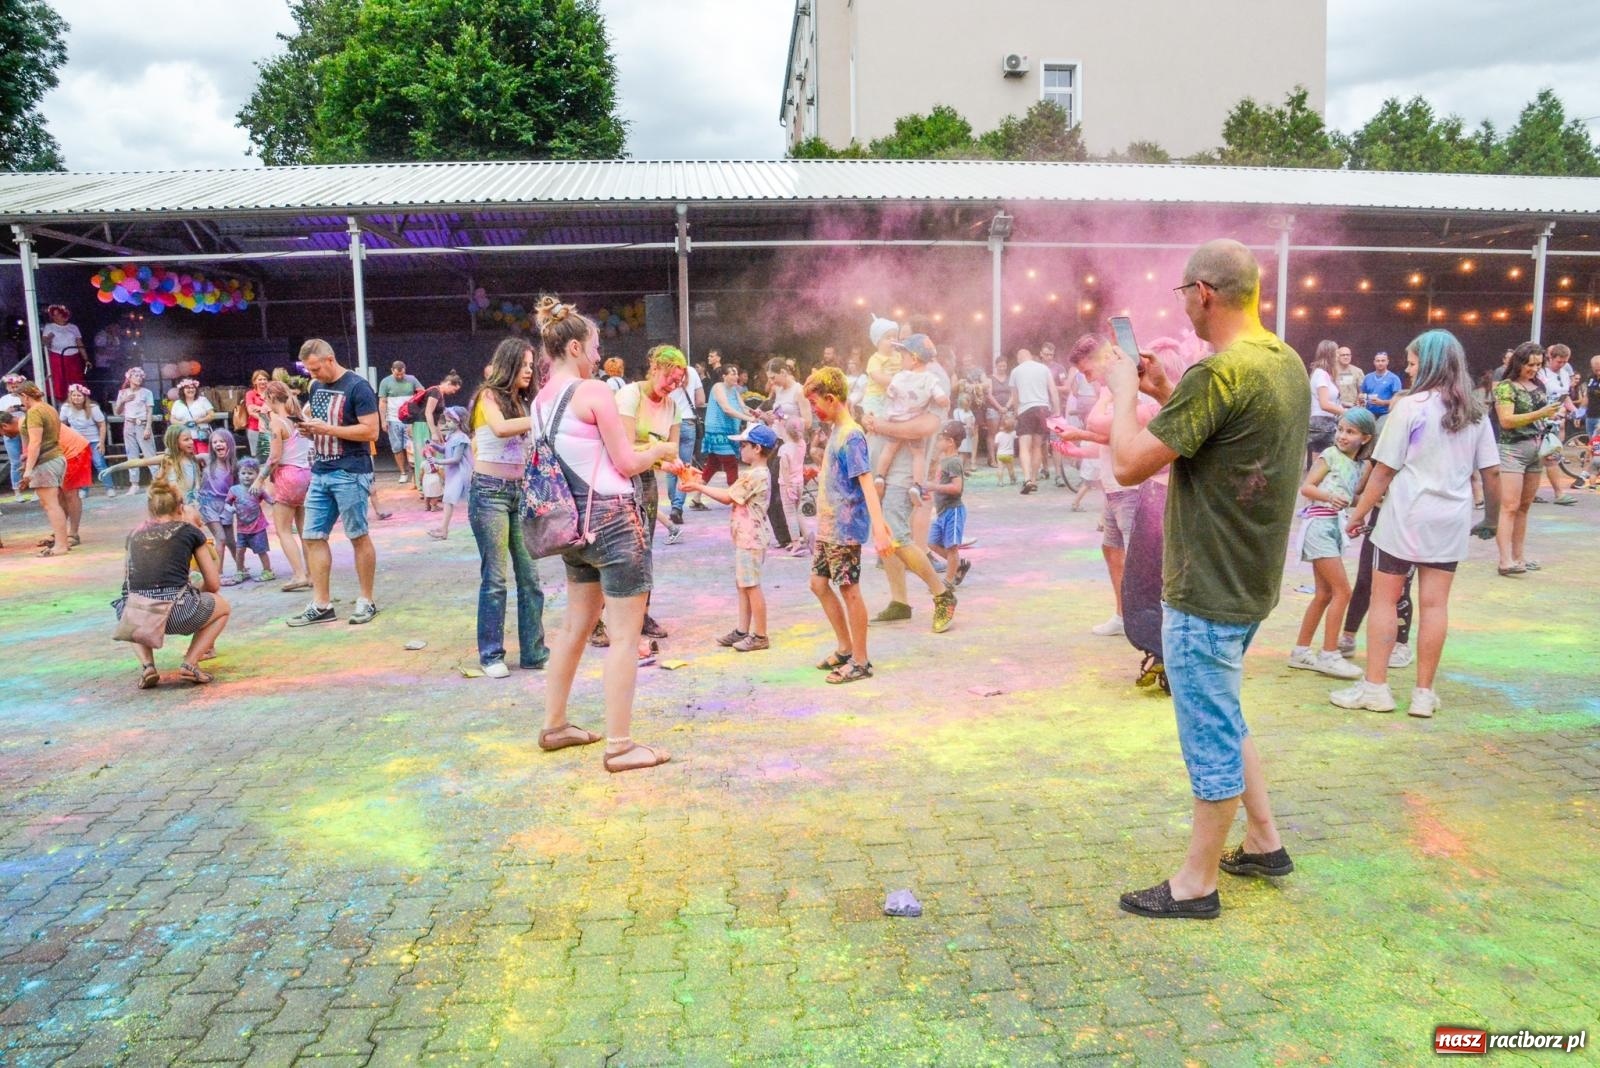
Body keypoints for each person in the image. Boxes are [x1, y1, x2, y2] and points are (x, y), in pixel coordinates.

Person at [1107, 239, 1308, 920]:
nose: (1184, 306)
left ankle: (1196, 884)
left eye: (1183, 294)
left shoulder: (1219, 373)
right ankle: (1263, 840)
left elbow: (1130, 464)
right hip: (1251, 580)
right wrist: (1166, 391)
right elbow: (1226, 437)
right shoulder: (1283, 362)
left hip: (1207, 586)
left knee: (1209, 731)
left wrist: (1122, 396)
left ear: (1204, 294)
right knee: (1225, 708)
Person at [532, 295, 677, 773]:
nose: (598, 356)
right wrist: (661, 451)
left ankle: (555, 725)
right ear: (574, 347)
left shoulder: (540, 401)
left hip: (573, 525)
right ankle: (620, 746)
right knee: (624, 636)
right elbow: (627, 462)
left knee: (575, 627)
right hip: (614, 521)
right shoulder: (593, 393)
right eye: (594, 347)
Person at [1332, 330, 1501, 718]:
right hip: (1451, 517)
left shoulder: (1409, 408)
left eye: (1411, 362)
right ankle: (1424, 694)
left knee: (1384, 599)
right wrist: (1491, 519)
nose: (1407, 371)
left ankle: (1376, 687)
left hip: (1405, 517)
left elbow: (1382, 472)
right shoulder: (1475, 410)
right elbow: (1491, 474)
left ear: (1426, 364)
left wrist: (1357, 517)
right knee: (1435, 604)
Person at [862, 335, 959, 632]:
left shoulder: (933, 377)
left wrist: (880, 425)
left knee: (897, 534)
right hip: (885, 464)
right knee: (885, 532)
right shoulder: (905, 375)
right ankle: (899, 601)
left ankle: (942, 594)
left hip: (905, 467)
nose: (897, 353)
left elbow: (926, 427)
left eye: (903, 349)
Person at [803, 366, 891, 685]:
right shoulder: (837, 432)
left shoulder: (852, 435)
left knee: (849, 590)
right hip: (829, 528)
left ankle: (861, 660)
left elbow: (866, 484)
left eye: (815, 404)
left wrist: (880, 528)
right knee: (818, 583)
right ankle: (845, 648)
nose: (814, 410)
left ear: (831, 398)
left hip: (846, 528)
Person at [467, 337, 548, 679]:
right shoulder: (487, 396)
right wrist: (543, 418)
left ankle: (533, 652)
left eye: (532, 366)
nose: (529, 371)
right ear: (509, 364)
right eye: (525, 365)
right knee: (496, 578)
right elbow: (500, 429)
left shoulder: (526, 402)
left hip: (520, 493)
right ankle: (490, 655)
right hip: (490, 494)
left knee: (530, 578)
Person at [286, 339, 381, 627]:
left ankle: (366, 599)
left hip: (351, 470)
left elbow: (372, 431)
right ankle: (321, 603)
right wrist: (310, 431)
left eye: (315, 368)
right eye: (309, 370)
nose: (312, 375)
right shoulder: (315, 387)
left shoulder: (358, 386)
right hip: (321, 469)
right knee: (312, 536)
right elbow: (320, 425)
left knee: (357, 535)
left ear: (330, 359)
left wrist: (327, 429)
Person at [115, 477, 232, 688]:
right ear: (180, 507)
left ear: (151, 508)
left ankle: (148, 666)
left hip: (137, 617)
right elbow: (213, 584)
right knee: (222, 606)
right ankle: (190, 663)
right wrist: (197, 594)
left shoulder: (134, 535)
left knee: (130, 605)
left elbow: (128, 582)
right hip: (179, 613)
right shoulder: (190, 533)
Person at [1288, 409, 1376, 679]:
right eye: (1341, 429)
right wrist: (1328, 497)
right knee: (1343, 592)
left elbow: (1353, 496)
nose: (1342, 436)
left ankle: (1301, 652)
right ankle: (1329, 653)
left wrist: (1355, 516)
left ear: (1365, 437)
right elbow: (1307, 488)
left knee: (1325, 594)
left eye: (1350, 432)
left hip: (1334, 530)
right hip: (1319, 527)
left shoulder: (1359, 466)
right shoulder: (1330, 456)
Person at [611, 345, 688, 644]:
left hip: (647, 479)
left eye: (679, 381)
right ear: (654, 368)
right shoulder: (630, 395)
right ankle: (602, 619)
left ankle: (642, 613)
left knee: (644, 548)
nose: (673, 385)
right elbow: (625, 448)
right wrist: (659, 453)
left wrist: (678, 467)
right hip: (618, 476)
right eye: (670, 377)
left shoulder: (673, 407)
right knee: (617, 549)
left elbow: (672, 452)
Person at [680, 424, 778, 652]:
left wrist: (697, 486)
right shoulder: (755, 473)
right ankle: (742, 630)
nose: (739, 450)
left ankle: (760, 634)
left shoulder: (756, 475)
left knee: (751, 586)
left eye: (743, 445)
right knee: (743, 584)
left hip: (750, 538)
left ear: (757, 448)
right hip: (747, 537)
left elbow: (727, 497)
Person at [1491, 342, 1562, 576]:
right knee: (1509, 506)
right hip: (1512, 450)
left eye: (1538, 365)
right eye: (1530, 364)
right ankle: (1505, 560)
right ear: (1519, 363)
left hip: (1536, 450)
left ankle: (1519, 557)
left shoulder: (1537, 385)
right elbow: (1506, 420)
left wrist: (1552, 418)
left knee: (1523, 507)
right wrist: (1541, 413)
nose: (1534, 369)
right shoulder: (1505, 387)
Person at [870, 338, 948, 495]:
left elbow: (890, 392)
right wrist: (944, 401)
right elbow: (940, 397)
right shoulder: (930, 378)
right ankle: (917, 485)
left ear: (913, 359)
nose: (900, 359)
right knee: (918, 455)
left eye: (903, 356)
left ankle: (879, 476)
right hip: (913, 418)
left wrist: (882, 420)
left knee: (889, 449)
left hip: (896, 420)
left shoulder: (900, 376)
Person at [255, 381, 312, 592]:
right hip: (306, 474)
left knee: (284, 530)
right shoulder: (299, 418)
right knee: (305, 530)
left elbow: (274, 457)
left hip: (288, 476)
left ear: (271, 398)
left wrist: (259, 479)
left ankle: (298, 574)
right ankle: (311, 574)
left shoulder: (277, 423)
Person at [15, 383, 72, 557]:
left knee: (50, 505)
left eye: (20, 399)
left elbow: (35, 443)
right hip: (56, 457)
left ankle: (61, 545)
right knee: (54, 503)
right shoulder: (49, 408)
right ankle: (62, 542)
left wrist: (28, 471)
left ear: (25, 396)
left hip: (46, 461)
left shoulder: (34, 412)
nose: (21, 403)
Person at [197, 429, 246, 585]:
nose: (218, 444)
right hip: (208, 504)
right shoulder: (206, 460)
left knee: (231, 540)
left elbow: (238, 489)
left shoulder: (235, 467)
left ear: (229, 444)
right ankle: (217, 573)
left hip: (225, 505)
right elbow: (187, 458)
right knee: (221, 538)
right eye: (215, 442)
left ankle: (241, 568)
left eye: (222, 441)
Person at [1008, 347, 1059, 494]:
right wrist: (1057, 411)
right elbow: (1053, 390)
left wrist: (1017, 413)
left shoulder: (1015, 371)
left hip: (1025, 410)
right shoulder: (1043, 369)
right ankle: (1035, 480)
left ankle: (1027, 479)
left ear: (1019, 358)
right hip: (1042, 409)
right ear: (1030, 356)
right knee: (1037, 447)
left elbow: (1015, 396)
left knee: (1024, 447)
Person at [1535, 343, 1578, 504]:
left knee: (1547, 457)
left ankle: (1543, 493)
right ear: (1550, 358)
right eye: (1559, 361)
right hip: (1541, 420)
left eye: (1565, 362)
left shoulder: (1565, 374)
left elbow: (1564, 396)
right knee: (1546, 458)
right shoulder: (1540, 374)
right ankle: (1558, 494)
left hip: (1555, 421)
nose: (1562, 365)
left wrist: (1574, 410)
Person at [700, 363, 755, 490]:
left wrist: (755, 413)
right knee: (731, 463)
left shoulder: (734, 391)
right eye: (733, 373)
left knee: (712, 465)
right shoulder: (718, 387)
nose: (736, 376)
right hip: (718, 432)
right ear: (724, 376)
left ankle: (696, 497)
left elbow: (743, 408)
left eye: (737, 373)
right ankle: (735, 497)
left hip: (730, 431)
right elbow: (726, 409)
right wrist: (748, 418)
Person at [928, 422, 970, 586]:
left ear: (950, 442)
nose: (938, 443)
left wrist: (934, 487)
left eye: (941, 439)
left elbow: (957, 488)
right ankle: (958, 566)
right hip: (942, 511)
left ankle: (949, 581)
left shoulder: (953, 462)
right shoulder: (944, 461)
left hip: (953, 511)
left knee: (952, 547)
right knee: (932, 542)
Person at [664, 355, 704, 526]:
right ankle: (678, 508)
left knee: (670, 465)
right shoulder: (692, 372)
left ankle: (674, 504)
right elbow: (701, 400)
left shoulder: (665, 373)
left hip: (668, 422)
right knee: (685, 465)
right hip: (688, 422)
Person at [409, 371, 462, 488]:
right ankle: (423, 487)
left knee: (436, 454)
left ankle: (436, 485)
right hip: (422, 425)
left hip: (430, 424)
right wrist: (433, 433)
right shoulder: (435, 392)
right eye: (454, 389)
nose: (453, 392)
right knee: (424, 454)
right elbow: (428, 412)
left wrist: (440, 435)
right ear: (448, 383)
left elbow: (436, 417)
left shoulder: (440, 394)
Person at [59, 384, 113, 496]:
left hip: (93, 440)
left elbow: (102, 425)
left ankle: (109, 487)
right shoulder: (66, 408)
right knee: (81, 466)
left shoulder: (93, 408)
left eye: (79, 395)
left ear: (84, 397)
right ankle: (84, 489)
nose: (76, 398)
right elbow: (62, 425)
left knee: (99, 463)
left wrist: (101, 442)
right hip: (77, 442)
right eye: (74, 395)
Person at [425, 407, 471, 539]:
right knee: (448, 500)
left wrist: (437, 461)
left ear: (459, 422)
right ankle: (443, 529)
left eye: (450, 421)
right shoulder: (451, 437)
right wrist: (433, 445)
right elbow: (445, 450)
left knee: (450, 500)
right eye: (447, 421)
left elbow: (456, 459)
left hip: (460, 473)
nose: (447, 424)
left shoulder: (461, 438)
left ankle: (444, 529)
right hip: (453, 474)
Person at [227, 458, 275, 582]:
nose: (246, 476)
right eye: (243, 473)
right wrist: (230, 509)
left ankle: (268, 571)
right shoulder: (234, 490)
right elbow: (226, 503)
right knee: (239, 551)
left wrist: (277, 503)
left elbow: (271, 501)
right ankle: (240, 571)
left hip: (258, 527)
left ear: (257, 475)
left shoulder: (258, 489)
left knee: (261, 550)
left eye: (250, 473)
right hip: (242, 529)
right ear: (238, 474)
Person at [113, 368, 158, 495]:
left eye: (140, 376)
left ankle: (157, 482)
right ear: (129, 378)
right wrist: (123, 400)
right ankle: (134, 484)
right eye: (135, 376)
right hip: (128, 424)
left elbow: (149, 411)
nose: (138, 378)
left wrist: (148, 427)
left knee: (150, 454)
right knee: (131, 454)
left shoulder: (146, 392)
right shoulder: (122, 392)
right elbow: (117, 412)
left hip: (142, 424)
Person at [376, 361, 421, 483]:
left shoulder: (412, 379)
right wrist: (383, 420)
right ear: (392, 371)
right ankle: (403, 472)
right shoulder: (385, 382)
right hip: (393, 418)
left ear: (405, 370)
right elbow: (382, 402)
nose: (400, 376)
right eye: (397, 375)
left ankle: (414, 473)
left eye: (402, 374)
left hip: (409, 419)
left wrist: (416, 411)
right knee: (397, 447)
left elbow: (422, 393)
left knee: (411, 446)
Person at [1306, 339, 1345, 467]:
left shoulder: (1325, 375)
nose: (1339, 356)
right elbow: (1324, 404)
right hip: (1322, 424)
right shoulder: (1321, 374)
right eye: (1337, 353)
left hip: (1325, 423)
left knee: (1321, 463)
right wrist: (1346, 412)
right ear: (1330, 354)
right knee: (1324, 464)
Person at [41, 304, 89, 403]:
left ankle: (77, 400)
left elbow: (79, 343)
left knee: (76, 379)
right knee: (59, 379)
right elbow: (44, 343)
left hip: (73, 357)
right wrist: (49, 337)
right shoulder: (49, 327)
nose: (56, 317)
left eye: (58, 314)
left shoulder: (73, 327)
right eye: (53, 315)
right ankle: (60, 402)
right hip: (58, 356)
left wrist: (86, 359)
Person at [776, 416, 808, 555]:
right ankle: (807, 537)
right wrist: (782, 423)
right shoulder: (802, 444)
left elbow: (784, 469)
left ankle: (796, 543)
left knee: (790, 515)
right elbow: (789, 435)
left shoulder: (784, 449)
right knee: (797, 512)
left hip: (788, 484)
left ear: (788, 432)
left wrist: (788, 486)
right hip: (800, 482)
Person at [170, 379, 218, 457]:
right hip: (184, 436)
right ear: (182, 390)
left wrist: (200, 420)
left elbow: (212, 415)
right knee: (189, 458)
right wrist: (183, 423)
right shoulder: (177, 403)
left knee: (204, 457)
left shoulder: (203, 400)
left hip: (202, 436)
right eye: (188, 388)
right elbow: (172, 419)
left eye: (193, 388)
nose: (191, 390)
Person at [2, 374, 29, 502]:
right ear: (7, 387)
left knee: (31, 459)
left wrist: (20, 408)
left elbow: (32, 409)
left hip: (26, 430)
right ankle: (17, 491)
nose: (14, 388)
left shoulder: (25, 397)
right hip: (10, 432)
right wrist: (8, 411)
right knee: (15, 462)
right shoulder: (3, 400)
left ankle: (35, 488)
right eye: (11, 386)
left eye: (17, 386)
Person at [1361, 351, 1403, 419]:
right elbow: (1363, 393)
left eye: (1383, 361)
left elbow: (1398, 400)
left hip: (1386, 414)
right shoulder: (1368, 377)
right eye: (1378, 361)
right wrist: (1362, 398)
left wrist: (1383, 402)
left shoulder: (1394, 379)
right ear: (1374, 362)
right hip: (1369, 414)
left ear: (1387, 362)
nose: (1380, 363)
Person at [242, 370, 272, 463]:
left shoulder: (272, 393)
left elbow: (276, 409)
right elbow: (251, 411)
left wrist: (258, 408)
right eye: (260, 379)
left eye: (265, 379)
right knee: (257, 457)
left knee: (270, 454)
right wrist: (266, 418)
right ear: (254, 381)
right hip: (254, 429)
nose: (263, 381)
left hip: (271, 429)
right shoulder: (250, 394)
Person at [1334, 344, 1364, 409]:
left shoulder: (1358, 371)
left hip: (1353, 407)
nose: (1346, 357)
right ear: (1337, 356)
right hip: (1336, 407)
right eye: (1343, 355)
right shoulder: (1332, 371)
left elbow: (1362, 391)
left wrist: (1358, 402)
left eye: (1348, 355)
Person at [993, 414, 1017, 485]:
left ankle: (1000, 481)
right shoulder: (1013, 433)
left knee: (1000, 469)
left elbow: (996, 444)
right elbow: (1016, 438)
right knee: (1011, 469)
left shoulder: (998, 435)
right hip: (1009, 454)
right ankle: (1012, 480)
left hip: (1000, 454)